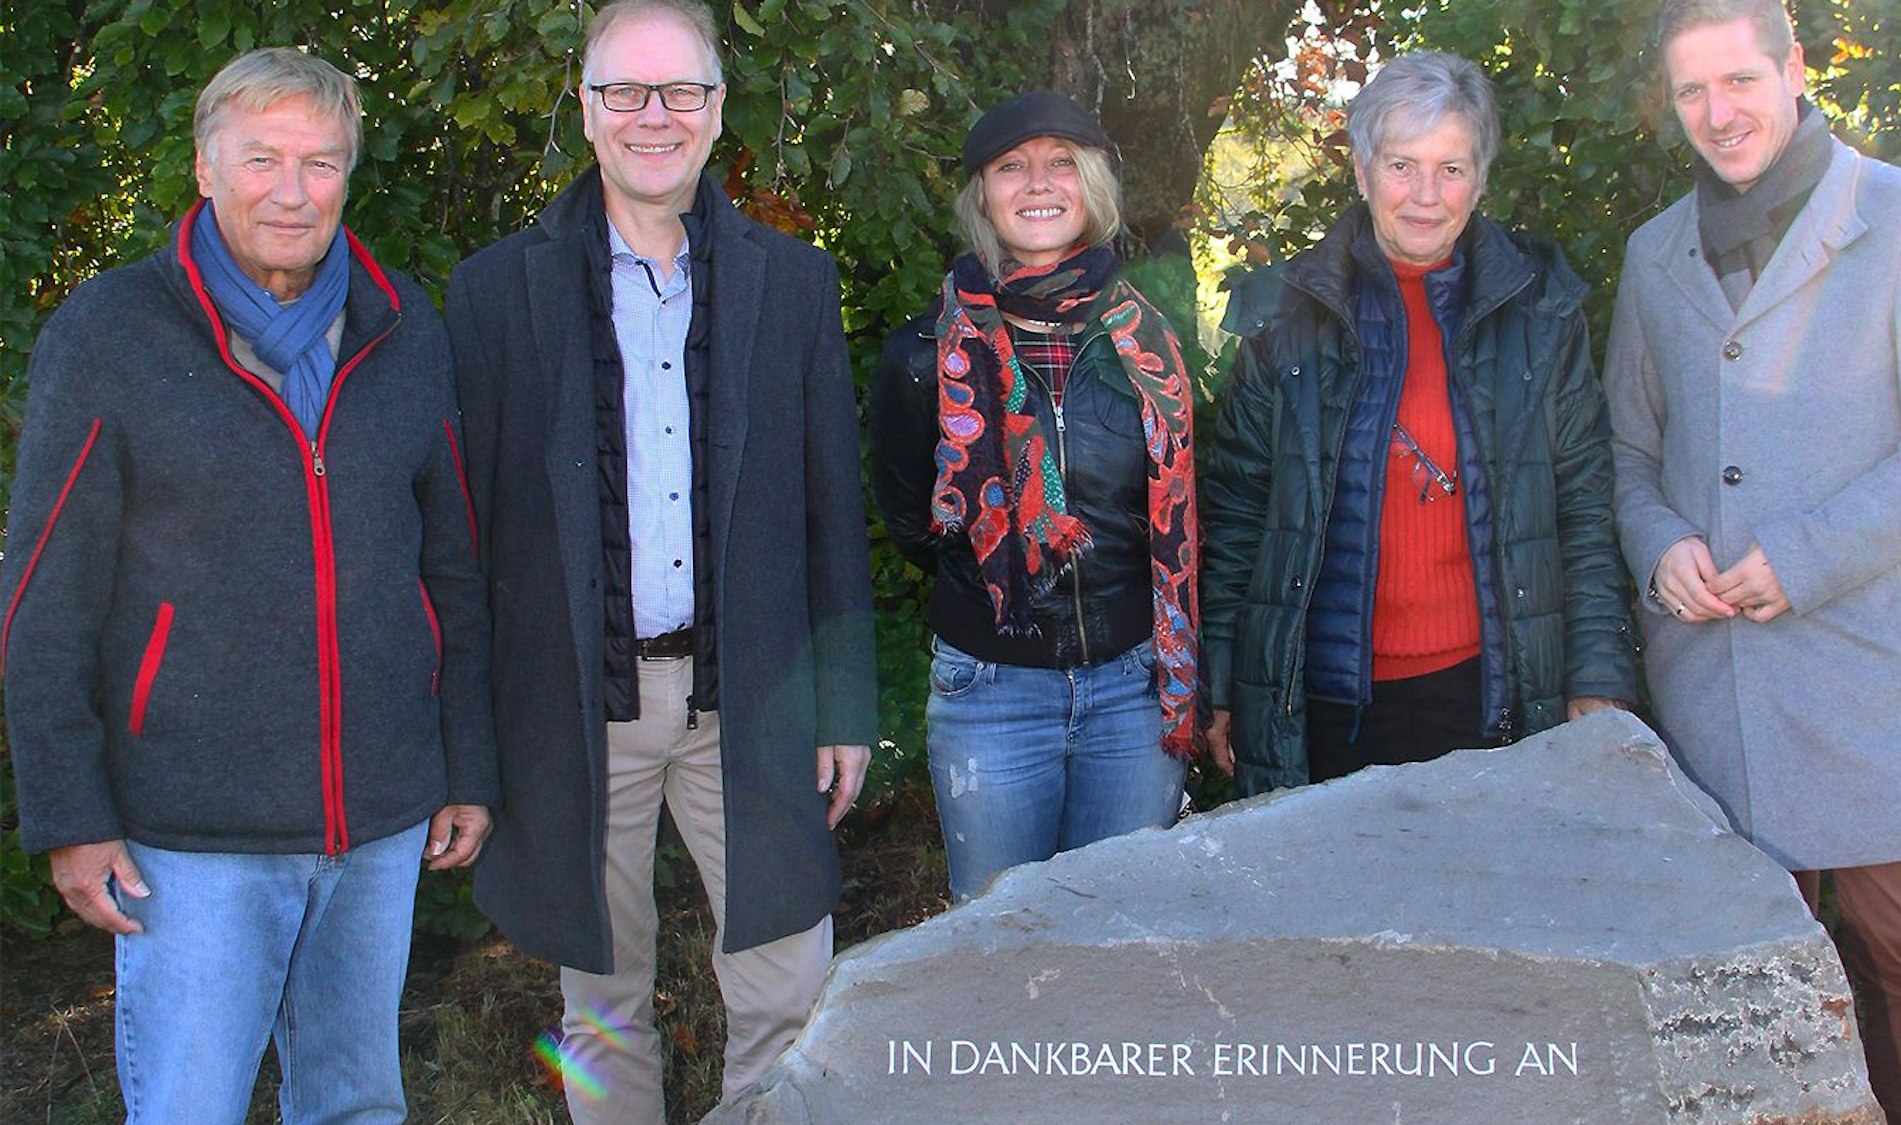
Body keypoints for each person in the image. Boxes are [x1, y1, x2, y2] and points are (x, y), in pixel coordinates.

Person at [1, 47, 496, 1122]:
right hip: (190, 835)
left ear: (349, 176)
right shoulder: (111, 335)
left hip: (377, 819)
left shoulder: (402, 330)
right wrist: (68, 813)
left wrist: (467, 764)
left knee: (359, 1104)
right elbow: (44, 592)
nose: (291, 190)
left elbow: (451, 568)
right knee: (189, 1107)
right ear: (204, 167)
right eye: (261, 158)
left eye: (320, 163)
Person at [445, 0, 877, 1115]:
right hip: (580, 705)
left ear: (716, 109)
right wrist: (471, 739)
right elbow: (466, 537)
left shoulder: (792, 284)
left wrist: (842, 705)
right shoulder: (496, 293)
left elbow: (833, 515)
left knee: (792, 981)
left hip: (754, 694)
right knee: (596, 998)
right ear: (584, 113)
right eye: (623, 92)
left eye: (679, 90)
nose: (653, 115)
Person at [1604, 2, 1901, 1120]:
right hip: (1711, 685)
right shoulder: (1653, 253)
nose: (1716, 114)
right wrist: (1657, 543)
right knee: (1733, 977)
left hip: (1863, 676)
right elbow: (1627, 449)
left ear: (1791, 72)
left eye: (1736, 82)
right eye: (1690, 92)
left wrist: (1806, 556)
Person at [1203, 52, 1637, 797]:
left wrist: (1596, 670)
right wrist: (1220, 677)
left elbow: (1584, 507)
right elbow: (1238, 511)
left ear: (1482, 178)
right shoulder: (1287, 316)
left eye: (1452, 168)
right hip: (1323, 702)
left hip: (1489, 688)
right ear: (1364, 171)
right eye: (1402, 165)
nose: (1426, 196)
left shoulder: (1541, 314)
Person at [870, 92, 1201, 902]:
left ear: (1092, 186)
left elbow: (1191, 514)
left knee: (1122, 938)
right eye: (1011, 167)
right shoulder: (922, 357)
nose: (1038, 183)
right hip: (992, 692)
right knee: (997, 946)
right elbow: (914, 528)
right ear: (983, 195)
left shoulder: (1154, 340)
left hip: (1135, 687)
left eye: (1061, 163)